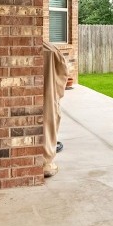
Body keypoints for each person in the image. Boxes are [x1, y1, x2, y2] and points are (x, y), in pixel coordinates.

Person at [41, 38, 70, 177]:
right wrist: (57, 94)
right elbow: (63, 72)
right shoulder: (51, 50)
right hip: (48, 95)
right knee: (49, 119)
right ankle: (46, 162)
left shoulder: (49, 50)